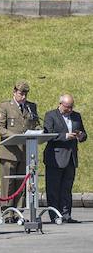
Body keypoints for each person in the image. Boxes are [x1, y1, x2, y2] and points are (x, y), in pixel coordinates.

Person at [0, 80, 41, 222]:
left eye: (26, 94)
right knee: (8, 184)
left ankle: (18, 213)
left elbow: (36, 124)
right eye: (21, 93)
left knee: (22, 183)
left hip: (25, 151)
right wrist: (14, 136)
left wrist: (38, 132)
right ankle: (7, 212)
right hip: (9, 151)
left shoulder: (31, 107)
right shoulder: (5, 106)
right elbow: (0, 128)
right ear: (14, 92)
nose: (24, 97)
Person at [44, 94, 86, 223]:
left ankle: (66, 214)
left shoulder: (76, 116)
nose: (70, 110)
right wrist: (65, 136)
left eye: (72, 107)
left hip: (71, 158)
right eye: (68, 107)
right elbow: (48, 135)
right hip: (55, 157)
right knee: (53, 188)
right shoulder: (50, 115)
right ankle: (55, 216)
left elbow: (84, 134)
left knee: (67, 188)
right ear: (61, 104)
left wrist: (80, 136)